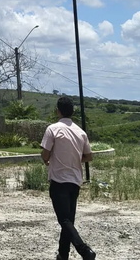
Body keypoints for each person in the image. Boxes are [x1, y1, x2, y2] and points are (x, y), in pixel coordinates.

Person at [41, 96, 96, 260]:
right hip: (75, 181)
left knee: (64, 220)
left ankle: (84, 250)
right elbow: (89, 156)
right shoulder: (81, 132)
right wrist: (74, 158)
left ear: (58, 110)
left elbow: (45, 154)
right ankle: (63, 254)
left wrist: (48, 160)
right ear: (72, 112)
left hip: (59, 179)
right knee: (68, 220)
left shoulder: (53, 129)